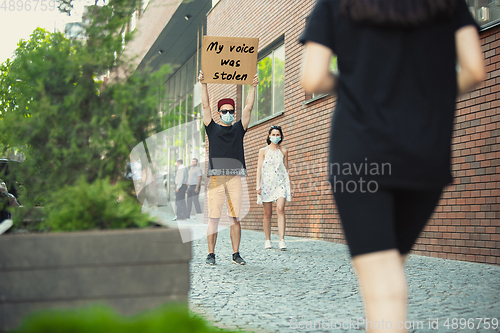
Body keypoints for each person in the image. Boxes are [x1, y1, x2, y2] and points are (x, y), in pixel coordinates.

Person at [299, 0, 485, 331]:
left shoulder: (336, 4)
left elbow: (311, 78)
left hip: (359, 156)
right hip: (425, 154)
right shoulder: (447, 4)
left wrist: (356, 85)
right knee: (390, 267)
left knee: (383, 287)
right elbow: (475, 69)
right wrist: (426, 98)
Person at [199, 69, 259, 266]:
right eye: (223, 111)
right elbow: (206, 105)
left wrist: (253, 86)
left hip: (235, 178)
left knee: (235, 217)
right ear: (218, 113)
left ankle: (235, 254)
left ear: (234, 113)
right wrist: (203, 83)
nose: (227, 114)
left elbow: (249, 107)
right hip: (216, 178)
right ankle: (211, 254)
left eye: (230, 111)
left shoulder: (238, 128)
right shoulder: (211, 127)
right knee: (214, 217)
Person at [256, 125, 291, 250]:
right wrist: (257, 184)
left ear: (281, 136)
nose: (275, 137)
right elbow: (259, 169)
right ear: (269, 136)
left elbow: (286, 168)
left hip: (280, 183)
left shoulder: (284, 151)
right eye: (273, 134)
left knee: (280, 209)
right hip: (266, 184)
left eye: (277, 135)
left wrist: (287, 184)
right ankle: (268, 240)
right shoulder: (263, 151)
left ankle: (282, 240)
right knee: (268, 213)